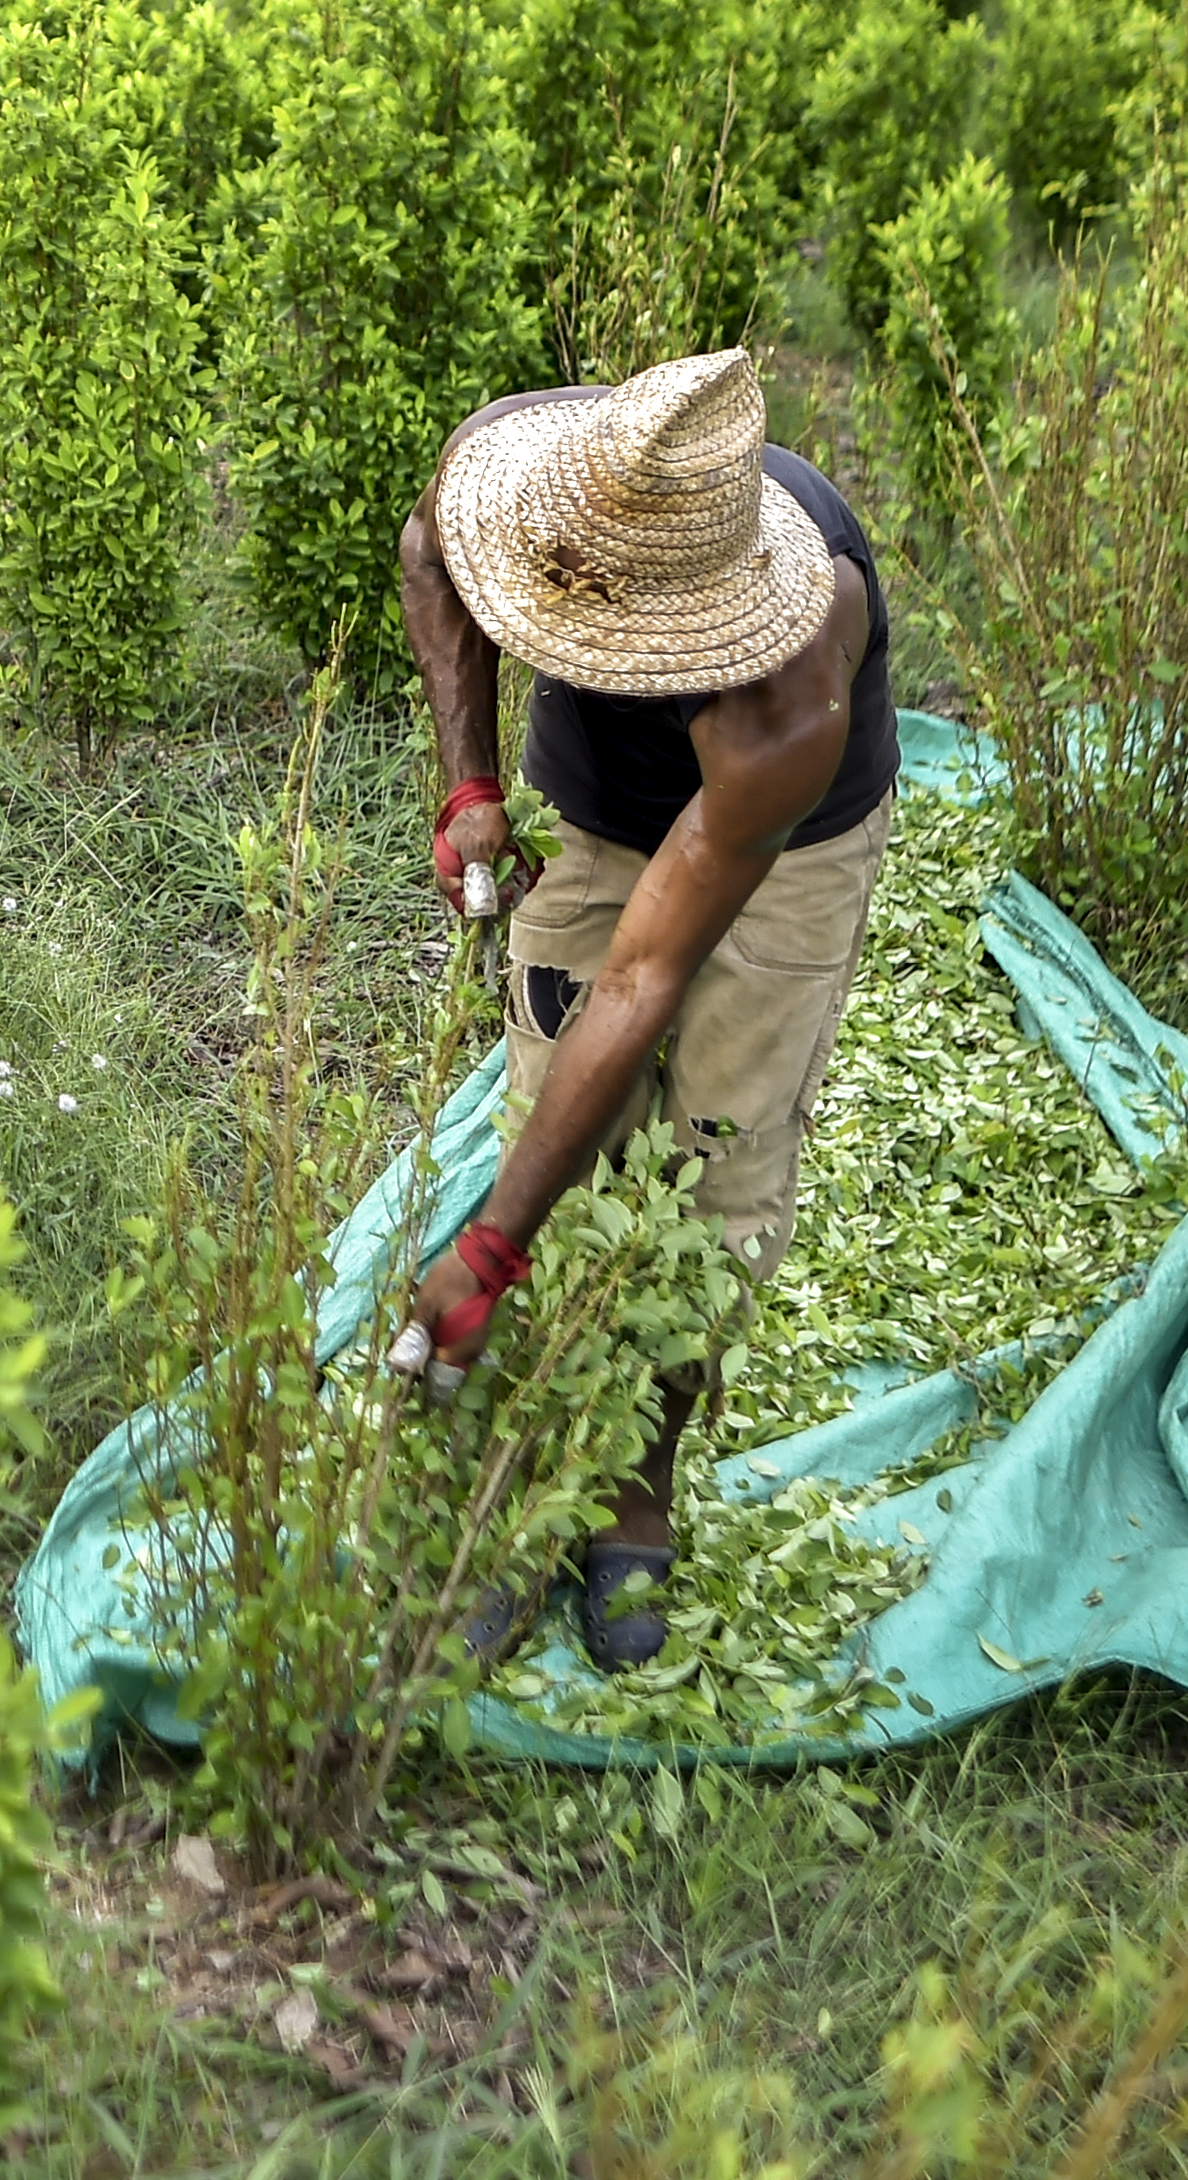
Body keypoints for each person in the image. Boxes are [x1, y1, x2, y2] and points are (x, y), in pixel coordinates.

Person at [385, 346, 898, 1672]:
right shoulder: (523, 466)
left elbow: (645, 977)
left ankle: (634, 1502)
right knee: (557, 1126)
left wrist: (482, 1257)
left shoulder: (790, 701)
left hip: (785, 849)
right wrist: (469, 783)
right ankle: (521, 1499)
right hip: (594, 807)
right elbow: (429, 551)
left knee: (707, 1171)